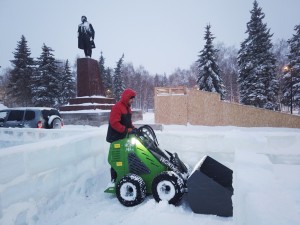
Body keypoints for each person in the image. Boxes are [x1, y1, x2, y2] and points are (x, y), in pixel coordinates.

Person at [106, 88, 136, 182]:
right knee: (117, 158)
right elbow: (114, 123)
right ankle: (114, 179)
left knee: (125, 156)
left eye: (133, 98)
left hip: (123, 136)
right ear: (127, 98)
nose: (133, 100)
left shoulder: (128, 108)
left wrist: (134, 129)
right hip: (116, 137)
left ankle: (124, 176)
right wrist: (126, 130)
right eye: (131, 98)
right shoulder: (117, 107)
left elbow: (128, 122)